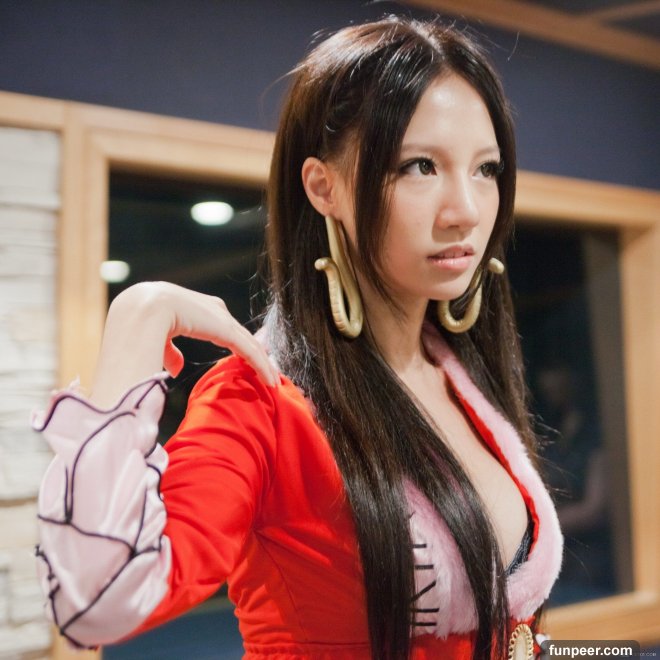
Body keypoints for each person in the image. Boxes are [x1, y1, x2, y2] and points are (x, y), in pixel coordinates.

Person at [33, 16, 563, 660]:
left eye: (486, 169)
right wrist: (139, 313)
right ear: (323, 186)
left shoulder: (462, 372)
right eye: (420, 166)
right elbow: (97, 601)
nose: (467, 211)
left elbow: (522, 635)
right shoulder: (262, 399)